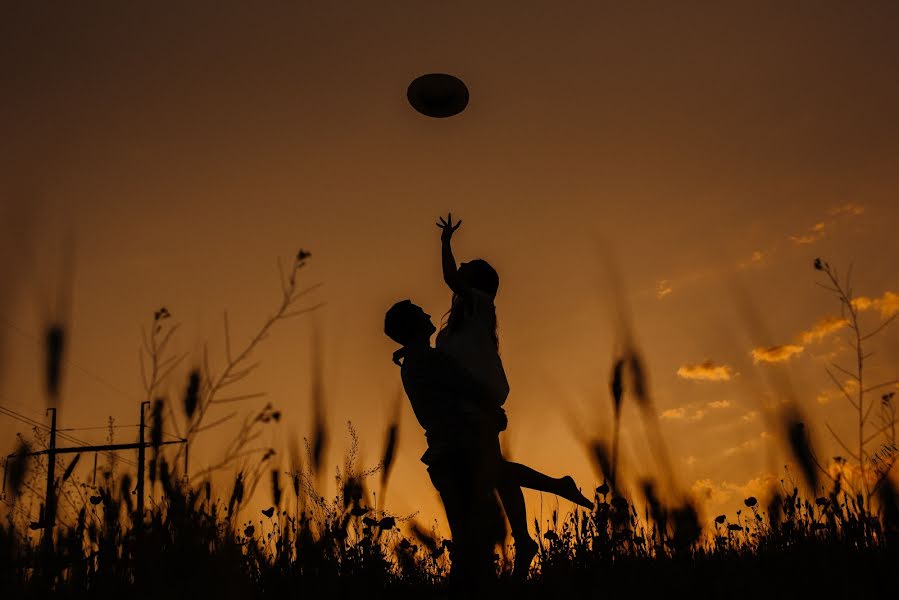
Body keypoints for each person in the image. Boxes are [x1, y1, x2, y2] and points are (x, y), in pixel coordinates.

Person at [434, 212, 593, 576]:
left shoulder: (478, 305)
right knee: (496, 472)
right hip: (465, 406)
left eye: (467, 267)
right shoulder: (458, 324)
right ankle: (525, 538)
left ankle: (534, 521)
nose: (461, 266)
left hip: (478, 402)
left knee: (494, 470)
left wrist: (444, 242)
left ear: (476, 284)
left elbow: (448, 276)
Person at [384, 300, 501, 588]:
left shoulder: (415, 360)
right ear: (413, 326)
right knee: (476, 539)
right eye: (419, 312)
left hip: (444, 453)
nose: (427, 312)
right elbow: (469, 386)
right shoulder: (428, 360)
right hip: (458, 452)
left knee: (468, 539)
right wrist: (495, 408)